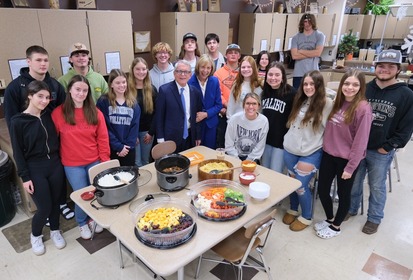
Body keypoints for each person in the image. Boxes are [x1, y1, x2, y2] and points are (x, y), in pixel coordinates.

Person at [347, 50, 413, 234]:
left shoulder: (406, 94)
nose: (385, 70)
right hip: (358, 147)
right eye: (381, 66)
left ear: (398, 69)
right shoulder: (364, 89)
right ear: (375, 67)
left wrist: (389, 146)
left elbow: (407, 127)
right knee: (354, 181)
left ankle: (374, 218)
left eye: (390, 66)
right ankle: (351, 209)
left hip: (381, 150)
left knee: (376, 185)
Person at [3, 45, 73, 221]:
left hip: (55, 142)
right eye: (38, 60)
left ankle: (62, 204)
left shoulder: (55, 85)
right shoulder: (14, 87)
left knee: (58, 177)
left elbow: (64, 112)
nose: (43, 64)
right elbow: (12, 119)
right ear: (29, 62)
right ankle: (48, 211)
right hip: (33, 148)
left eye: (45, 60)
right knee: (43, 187)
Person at [9, 81, 67, 255]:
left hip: (55, 164)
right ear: (30, 96)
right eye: (40, 96)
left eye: (47, 97)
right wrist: (25, 177)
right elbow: (18, 152)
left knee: (57, 202)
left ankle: (56, 230)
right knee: (44, 207)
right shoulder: (18, 121)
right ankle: (35, 235)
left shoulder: (50, 114)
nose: (44, 101)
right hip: (35, 168)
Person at [314, 69, 372, 239]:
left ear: (361, 87)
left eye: (355, 84)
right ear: (341, 85)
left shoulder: (363, 108)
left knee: (343, 194)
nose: (350, 87)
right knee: (323, 190)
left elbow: (361, 141)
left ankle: (336, 226)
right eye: (346, 83)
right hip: (329, 155)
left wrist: (351, 166)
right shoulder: (337, 102)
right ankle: (330, 218)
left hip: (346, 160)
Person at [52, 75, 110, 240]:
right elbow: (53, 140)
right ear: (69, 90)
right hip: (72, 164)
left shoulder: (95, 112)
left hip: (94, 160)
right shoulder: (58, 113)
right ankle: (82, 222)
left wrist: (104, 161)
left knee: (95, 192)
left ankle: (93, 218)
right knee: (81, 195)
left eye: (85, 90)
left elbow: (103, 139)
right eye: (77, 89)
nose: (81, 93)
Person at [282, 70, 333, 231]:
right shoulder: (300, 99)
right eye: (305, 84)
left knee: (301, 185)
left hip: (311, 152)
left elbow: (331, 130)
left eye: (312, 84)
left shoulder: (326, 103)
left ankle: (306, 216)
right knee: (291, 183)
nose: (308, 87)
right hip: (290, 148)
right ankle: (293, 208)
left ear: (319, 85)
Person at [156, 60, 203, 153]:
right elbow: (159, 116)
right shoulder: (164, 91)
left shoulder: (195, 92)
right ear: (174, 73)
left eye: (186, 72)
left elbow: (197, 116)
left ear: (190, 75)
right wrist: (160, 139)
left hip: (190, 137)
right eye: (179, 71)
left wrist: (197, 136)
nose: (182, 74)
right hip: (170, 138)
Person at [96, 69, 140, 166]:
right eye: (118, 83)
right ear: (111, 84)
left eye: (124, 82)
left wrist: (126, 148)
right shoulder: (103, 102)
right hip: (112, 149)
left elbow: (134, 128)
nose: (122, 85)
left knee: (129, 177)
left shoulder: (133, 103)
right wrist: (118, 146)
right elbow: (104, 127)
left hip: (128, 150)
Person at [261, 62, 297, 173]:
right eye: (270, 75)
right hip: (265, 140)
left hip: (281, 143)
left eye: (277, 75)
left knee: (276, 173)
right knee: (264, 172)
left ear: (283, 77)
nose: (273, 78)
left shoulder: (292, 93)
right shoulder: (264, 92)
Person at [188, 54, 222, 149]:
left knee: (209, 154)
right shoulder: (190, 82)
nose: (205, 71)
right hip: (195, 125)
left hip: (210, 125)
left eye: (208, 68)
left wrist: (206, 114)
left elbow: (218, 105)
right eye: (203, 67)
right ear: (198, 67)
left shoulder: (214, 81)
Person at [128, 57, 157, 167]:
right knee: (136, 162)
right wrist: (132, 134)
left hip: (147, 133)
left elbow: (156, 114)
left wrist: (151, 133)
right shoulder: (126, 90)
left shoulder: (152, 89)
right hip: (132, 133)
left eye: (144, 69)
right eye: (138, 69)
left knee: (145, 161)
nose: (141, 72)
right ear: (133, 70)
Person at [225, 93, 268, 161]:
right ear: (243, 105)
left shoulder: (264, 121)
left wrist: (248, 162)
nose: (251, 107)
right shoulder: (234, 119)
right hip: (234, 156)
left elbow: (259, 147)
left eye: (254, 104)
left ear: (259, 106)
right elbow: (229, 144)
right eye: (248, 103)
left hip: (252, 158)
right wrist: (237, 160)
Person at [214, 43, 241, 148]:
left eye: (236, 53)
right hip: (223, 114)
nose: (233, 55)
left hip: (239, 114)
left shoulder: (243, 73)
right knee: (222, 143)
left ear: (239, 56)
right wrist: (227, 106)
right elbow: (217, 93)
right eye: (230, 53)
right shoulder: (218, 73)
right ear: (226, 55)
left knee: (237, 145)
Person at [291, 13, 325, 89]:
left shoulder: (319, 35)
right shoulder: (295, 38)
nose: (307, 24)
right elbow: (294, 56)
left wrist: (301, 51)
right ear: (302, 23)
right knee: (297, 97)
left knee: (313, 97)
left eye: (309, 21)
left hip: (314, 73)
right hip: (298, 74)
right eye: (305, 21)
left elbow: (318, 53)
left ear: (313, 22)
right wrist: (312, 53)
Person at [226, 56, 262, 120]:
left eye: (249, 67)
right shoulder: (236, 84)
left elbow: (261, 107)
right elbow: (231, 105)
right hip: (239, 121)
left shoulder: (260, 85)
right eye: (243, 67)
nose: (246, 69)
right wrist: (229, 120)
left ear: (253, 68)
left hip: (255, 122)